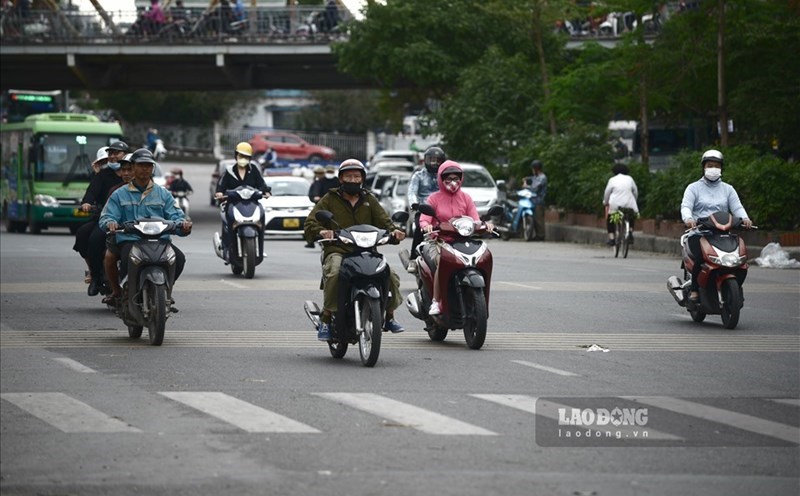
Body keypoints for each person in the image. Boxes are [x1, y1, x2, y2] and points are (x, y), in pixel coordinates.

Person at [303, 159, 406, 341]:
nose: (352, 180)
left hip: (367, 251)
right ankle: (326, 318)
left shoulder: (369, 199)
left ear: (362, 179)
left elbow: (385, 222)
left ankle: (389, 316)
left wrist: (395, 232)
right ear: (341, 179)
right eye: (348, 176)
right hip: (338, 250)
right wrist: (322, 231)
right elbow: (310, 223)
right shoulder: (329, 199)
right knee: (335, 272)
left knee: (390, 275)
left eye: (356, 176)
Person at [99, 148, 192, 305]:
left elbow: (176, 216)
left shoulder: (163, 194)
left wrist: (183, 225)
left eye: (148, 165)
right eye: (141, 165)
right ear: (133, 167)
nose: (145, 169)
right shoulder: (119, 194)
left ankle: (165, 290)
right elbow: (107, 217)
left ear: (152, 168)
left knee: (179, 258)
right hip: (130, 240)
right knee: (127, 259)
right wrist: (110, 223)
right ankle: (125, 292)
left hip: (159, 240)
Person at [419, 160, 493, 315]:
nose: (452, 182)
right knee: (441, 262)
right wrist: (427, 226)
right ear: (441, 178)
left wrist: (486, 225)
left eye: (456, 178)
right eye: (448, 178)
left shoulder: (466, 198)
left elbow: (475, 219)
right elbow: (424, 219)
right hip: (439, 241)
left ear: (461, 178)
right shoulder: (434, 198)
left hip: (462, 241)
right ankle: (436, 301)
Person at [680, 149, 752, 303]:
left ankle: (735, 289)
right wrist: (689, 219)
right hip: (700, 233)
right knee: (701, 257)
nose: (713, 168)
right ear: (703, 167)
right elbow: (686, 206)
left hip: (723, 234)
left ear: (721, 168)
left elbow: (737, 207)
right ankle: (694, 289)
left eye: (716, 165)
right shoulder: (693, 188)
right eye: (710, 165)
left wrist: (745, 219)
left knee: (741, 260)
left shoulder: (728, 189)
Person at [215, 142, 271, 259]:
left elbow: (262, 184)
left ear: (250, 158)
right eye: (241, 155)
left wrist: (266, 191)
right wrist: (220, 192)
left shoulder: (254, 170)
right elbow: (221, 186)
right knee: (228, 220)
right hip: (233, 203)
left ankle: (260, 249)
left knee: (261, 215)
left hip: (252, 204)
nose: (243, 159)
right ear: (236, 156)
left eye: (246, 156)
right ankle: (226, 248)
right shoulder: (229, 171)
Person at [406, 146, 445, 269]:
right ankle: (413, 258)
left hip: (442, 211)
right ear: (426, 160)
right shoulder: (418, 175)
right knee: (419, 229)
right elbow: (412, 191)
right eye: (431, 160)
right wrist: (414, 203)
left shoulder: (445, 176)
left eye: (437, 161)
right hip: (423, 210)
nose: (434, 163)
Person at [603, 163, 639, 246]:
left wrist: (606, 202)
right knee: (630, 216)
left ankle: (612, 239)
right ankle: (630, 231)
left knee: (611, 219)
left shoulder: (612, 180)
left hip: (616, 205)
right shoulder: (630, 179)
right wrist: (634, 200)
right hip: (629, 203)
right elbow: (635, 191)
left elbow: (607, 193)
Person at [523, 160, 548, 241]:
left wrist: (526, 186)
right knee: (535, 219)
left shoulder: (542, 177)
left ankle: (541, 235)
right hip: (533, 201)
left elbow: (535, 188)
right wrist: (526, 179)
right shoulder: (536, 177)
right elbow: (532, 178)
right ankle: (537, 235)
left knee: (539, 219)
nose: (532, 171)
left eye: (533, 169)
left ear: (536, 169)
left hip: (539, 201)